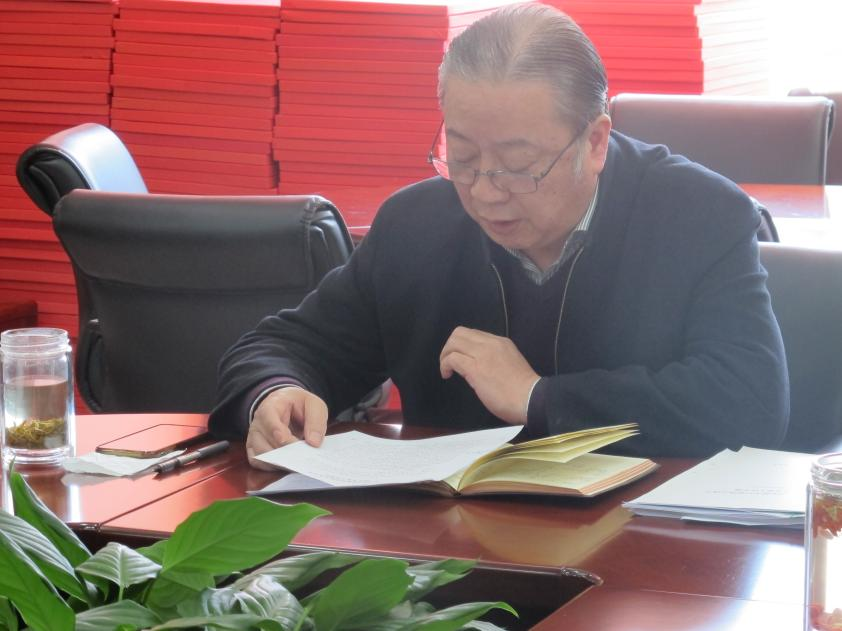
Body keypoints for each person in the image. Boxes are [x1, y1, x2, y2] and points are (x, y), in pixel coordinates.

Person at [209, 3, 789, 468]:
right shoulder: (417, 225)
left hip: (646, 548)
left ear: (594, 142)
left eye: (518, 164)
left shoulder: (699, 216)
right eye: (462, 157)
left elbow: (752, 401)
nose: (485, 192)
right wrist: (273, 392)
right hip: (446, 546)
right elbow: (285, 346)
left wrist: (539, 398)